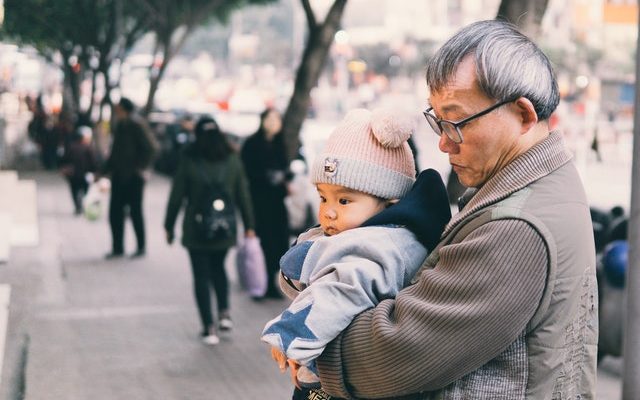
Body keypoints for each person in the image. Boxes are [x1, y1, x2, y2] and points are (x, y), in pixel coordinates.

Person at [313, 20, 598, 399]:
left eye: (456, 122)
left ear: (523, 114)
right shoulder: (546, 184)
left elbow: (396, 355)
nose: (444, 144)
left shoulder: (516, 227)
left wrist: (311, 342)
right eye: (438, 121)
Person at [261, 109, 451, 399]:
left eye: (344, 200)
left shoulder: (379, 247)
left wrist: (290, 335)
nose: (329, 211)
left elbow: (341, 289)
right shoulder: (363, 234)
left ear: (389, 203)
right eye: (323, 197)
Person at [164, 116, 256, 345]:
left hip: (196, 229)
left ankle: (209, 327)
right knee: (219, 269)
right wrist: (249, 225)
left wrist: (169, 226)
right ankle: (224, 314)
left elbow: (177, 195)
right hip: (225, 228)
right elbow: (243, 194)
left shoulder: (189, 158)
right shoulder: (232, 158)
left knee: (201, 276)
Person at [241, 108, 292, 299]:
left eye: (276, 119)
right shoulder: (252, 144)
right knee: (262, 242)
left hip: (277, 202)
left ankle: (272, 282)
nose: (273, 123)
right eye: (269, 119)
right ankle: (258, 284)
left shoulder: (280, 144)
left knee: (278, 242)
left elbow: (286, 168)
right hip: (259, 201)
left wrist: (284, 178)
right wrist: (267, 176)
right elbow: (246, 172)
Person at [103, 97, 158, 259]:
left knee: (135, 212)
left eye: (118, 108)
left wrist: (140, 167)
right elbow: (115, 152)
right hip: (119, 176)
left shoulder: (136, 124)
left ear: (124, 109)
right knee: (115, 213)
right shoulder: (120, 125)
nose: (116, 111)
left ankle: (141, 246)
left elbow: (151, 148)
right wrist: (104, 170)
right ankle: (117, 247)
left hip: (133, 177)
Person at [59, 126, 97, 215]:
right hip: (84, 175)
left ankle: (78, 206)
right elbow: (93, 162)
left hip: (73, 175)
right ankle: (80, 204)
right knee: (84, 190)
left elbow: (64, 160)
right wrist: (95, 172)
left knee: (74, 191)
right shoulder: (89, 149)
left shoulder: (71, 147)